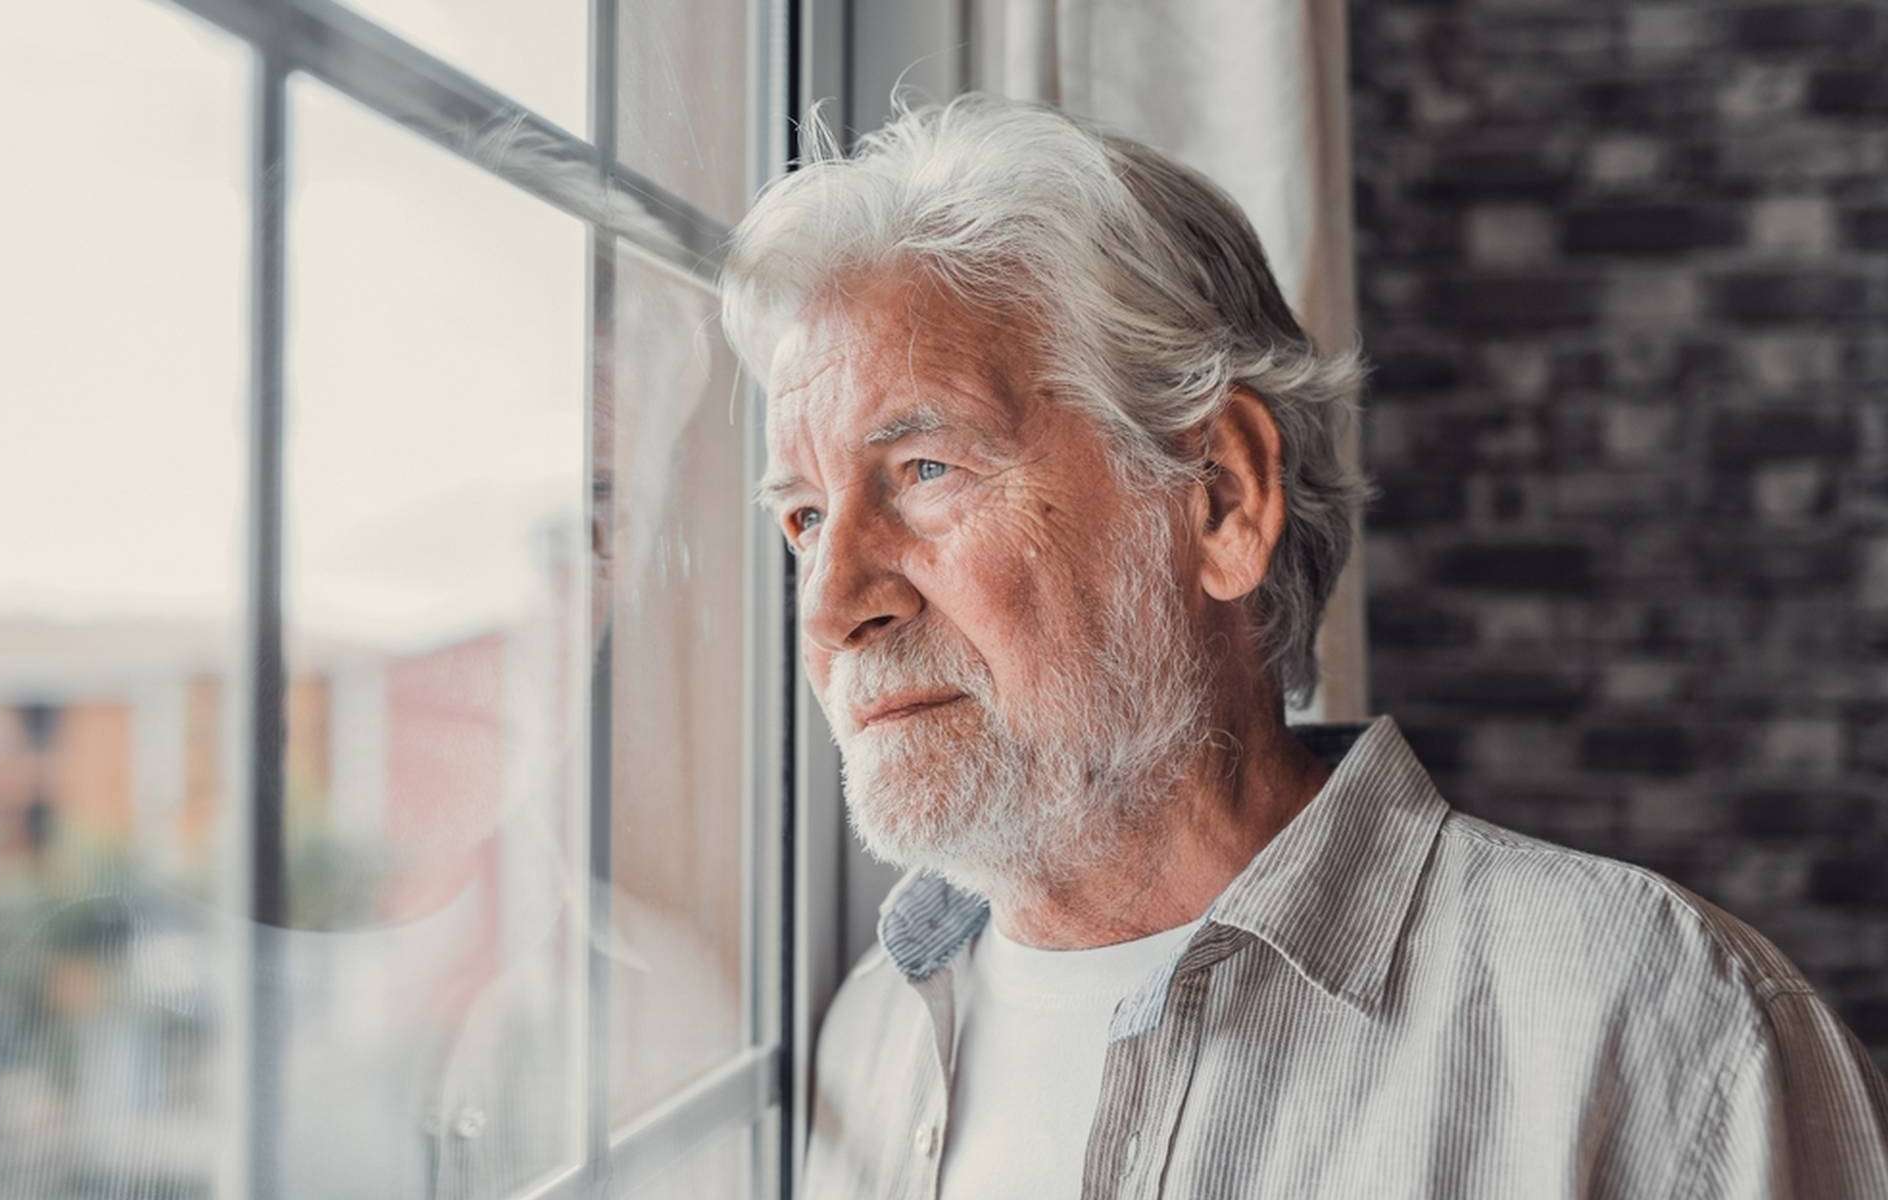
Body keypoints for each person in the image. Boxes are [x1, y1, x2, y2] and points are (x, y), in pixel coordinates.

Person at [718, 93, 1888, 1198]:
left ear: (1220, 498)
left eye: (925, 471)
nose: (830, 606)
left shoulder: (1666, 1031)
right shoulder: (873, 1032)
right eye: (805, 517)